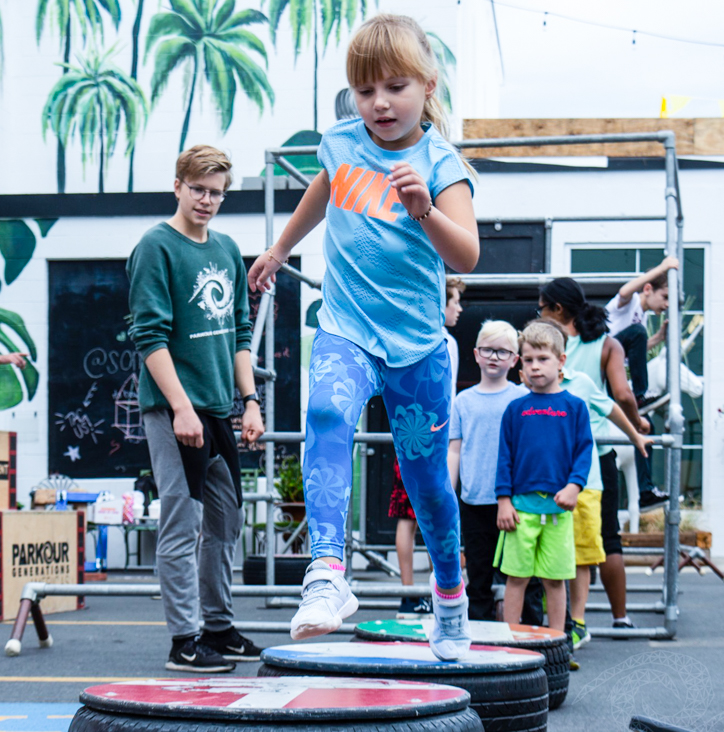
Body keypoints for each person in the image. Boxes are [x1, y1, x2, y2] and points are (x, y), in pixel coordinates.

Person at [248, 14, 480, 660]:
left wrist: (425, 211)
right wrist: (280, 246)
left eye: (395, 87)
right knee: (325, 412)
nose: (379, 102)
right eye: (365, 89)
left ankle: (451, 594)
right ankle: (327, 573)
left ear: (428, 86)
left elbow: (467, 257)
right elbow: (325, 191)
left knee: (427, 482)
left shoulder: (440, 164)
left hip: (416, 351)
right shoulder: (343, 143)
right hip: (347, 328)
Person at [127, 144, 266, 673]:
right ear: (179, 186)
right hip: (174, 410)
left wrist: (250, 400)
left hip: (219, 407)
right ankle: (183, 640)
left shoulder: (227, 249)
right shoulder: (155, 247)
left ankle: (217, 626)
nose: (208, 201)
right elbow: (149, 335)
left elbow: (238, 331)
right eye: (200, 190)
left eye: (218, 193)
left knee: (227, 520)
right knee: (181, 523)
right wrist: (180, 407)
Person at [540, 277, 649, 631]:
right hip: (596, 453)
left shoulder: (546, 344)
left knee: (552, 534)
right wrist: (639, 426)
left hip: (555, 456)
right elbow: (623, 394)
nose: (539, 314)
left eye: (542, 308)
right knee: (606, 536)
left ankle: (560, 618)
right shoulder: (606, 344)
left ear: (557, 309)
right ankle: (618, 616)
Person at [495, 320, 592, 635]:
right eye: (528, 359)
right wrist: (504, 501)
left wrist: (574, 487)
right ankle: (510, 641)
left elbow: (583, 452)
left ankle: (556, 642)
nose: (535, 367)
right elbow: (504, 457)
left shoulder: (575, 408)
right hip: (520, 512)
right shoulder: (515, 410)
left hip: (558, 512)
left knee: (554, 579)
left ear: (561, 360)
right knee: (516, 578)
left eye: (543, 359)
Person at [393, 275, 465, 618]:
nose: (459, 309)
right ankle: (427, 591)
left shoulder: (407, 336)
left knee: (411, 516)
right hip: (431, 434)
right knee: (429, 510)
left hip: (410, 429)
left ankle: (412, 592)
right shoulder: (443, 342)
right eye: (454, 302)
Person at [449, 320, 528, 622]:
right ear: (476, 354)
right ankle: (480, 638)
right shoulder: (463, 401)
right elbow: (454, 449)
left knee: (521, 575)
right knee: (478, 574)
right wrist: (448, 492)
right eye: (488, 350)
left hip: (516, 501)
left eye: (502, 351)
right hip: (474, 500)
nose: (494, 357)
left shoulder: (522, 399)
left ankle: (527, 635)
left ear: (514, 359)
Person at [605, 256, 679, 512]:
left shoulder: (641, 322)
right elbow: (625, 290)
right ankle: (640, 394)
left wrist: (657, 338)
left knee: (644, 426)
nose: (666, 305)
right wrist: (663, 268)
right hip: (601, 363)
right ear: (648, 289)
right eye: (665, 297)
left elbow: (629, 352)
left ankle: (646, 491)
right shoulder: (631, 303)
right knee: (637, 333)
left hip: (614, 369)